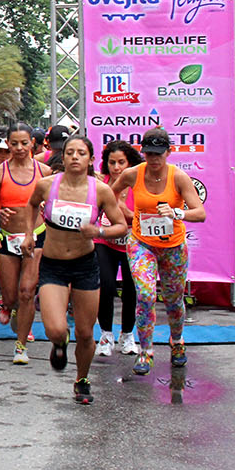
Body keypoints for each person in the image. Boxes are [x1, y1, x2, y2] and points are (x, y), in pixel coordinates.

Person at [22, 135, 127, 404]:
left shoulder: (100, 190)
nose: (75, 157)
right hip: (53, 265)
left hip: (85, 265)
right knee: (56, 329)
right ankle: (59, 344)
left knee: (84, 332)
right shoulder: (47, 185)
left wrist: (100, 230)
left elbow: (121, 226)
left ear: (90, 159)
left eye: (81, 153)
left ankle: (82, 379)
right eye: (70, 152)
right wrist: (29, 234)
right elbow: (32, 204)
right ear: (63, 157)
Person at [111, 127, 206, 376]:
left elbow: (200, 213)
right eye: (150, 154)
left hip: (173, 246)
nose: (154, 160)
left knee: (174, 300)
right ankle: (145, 351)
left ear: (169, 152)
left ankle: (176, 342)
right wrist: (126, 214)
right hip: (142, 244)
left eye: (159, 155)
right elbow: (111, 195)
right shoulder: (133, 174)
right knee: (144, 294)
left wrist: (178, 213)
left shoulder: (178, 177)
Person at [0, 123, 51, 365]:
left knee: (27, 292)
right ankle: (11, 306)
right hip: (7, 237)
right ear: (7, 144)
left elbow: (53, 199)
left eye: (24, 143)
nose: (19, 148)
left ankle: (21, 345)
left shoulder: (44, 171)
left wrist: (47, 207)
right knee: (10, 295)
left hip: (35, 236)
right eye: (14, 143)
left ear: (32, 144)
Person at [95, 141, 141, 357]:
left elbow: (146, 217)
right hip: (105, 242)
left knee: (131, 289)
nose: (116, 167)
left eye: (121, 162)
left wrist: (127, 214)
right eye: (112, 162)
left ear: (130, 162)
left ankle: (127, 335)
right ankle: (105, 335)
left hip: (133, 242)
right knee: (106, 285)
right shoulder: (101, 183)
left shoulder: (139, 183)